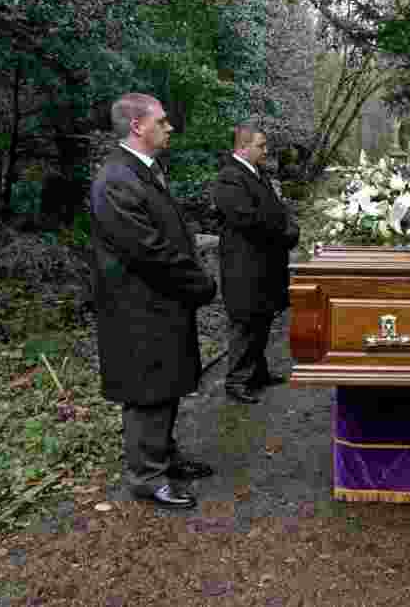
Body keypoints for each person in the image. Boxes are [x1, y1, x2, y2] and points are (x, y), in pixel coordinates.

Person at [91, 93, 218, 509]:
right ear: (136, 126)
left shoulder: (142, 171)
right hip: (137, 308)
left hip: (160, 303)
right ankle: (147, 476)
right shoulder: (116, 179)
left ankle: (163, 457)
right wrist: (197, 283)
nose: (169, 127)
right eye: (161, 121)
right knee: (147, 390)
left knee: (165, 384)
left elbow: (167, 236)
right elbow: (148, 250)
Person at [214, 125, 300, 404]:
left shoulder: (256, 174)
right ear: (243, 147)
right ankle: (237, 380)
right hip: (244, 265)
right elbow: (247, 219)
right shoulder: (230, 177)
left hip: (264, 263)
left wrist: (289, 227)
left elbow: (275, 209)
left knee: (262, 317)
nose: (266, 151)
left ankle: (258, 372)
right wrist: (283, 233)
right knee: (245, 323)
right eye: (261, 146)